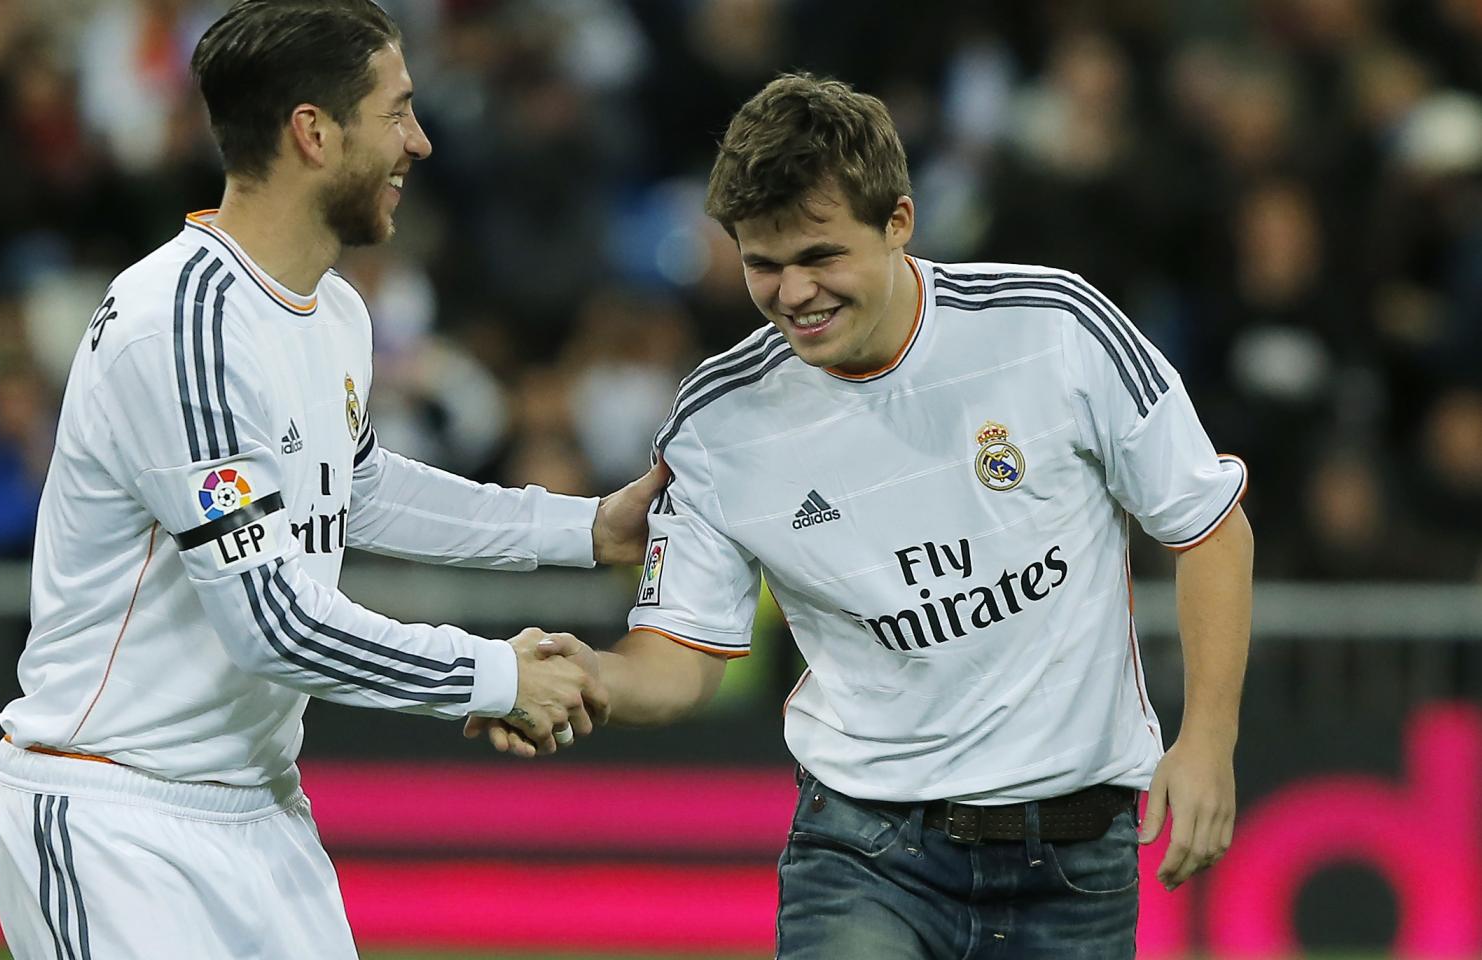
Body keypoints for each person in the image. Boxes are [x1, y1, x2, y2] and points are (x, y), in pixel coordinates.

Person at [470, 73, 1254, 958]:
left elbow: (1210, 526)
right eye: (762, 264)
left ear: (899, 222)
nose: (792, 292)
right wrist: (595, 682)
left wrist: (1208, 741)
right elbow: (682, 657)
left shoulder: (1054, 329)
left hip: (1075, 861)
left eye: (819, 256)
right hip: (865, 852)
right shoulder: (718, 422)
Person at [0, 2, 660, 957]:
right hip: (114, 818)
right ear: (313, 132)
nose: (419, 144)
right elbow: (275, 623)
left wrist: (584, 530)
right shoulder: (182, 329)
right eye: (398, 112)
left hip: (260, 811)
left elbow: (360, 488)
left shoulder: (332, 311)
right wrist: (494, 676)